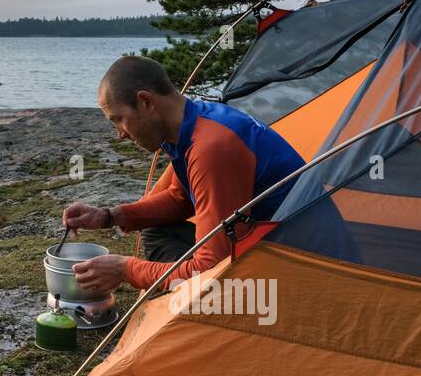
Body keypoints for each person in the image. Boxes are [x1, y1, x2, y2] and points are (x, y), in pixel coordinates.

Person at [62, 55, 306, 294]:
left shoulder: (212, 147)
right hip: (273, 243)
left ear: (146, 102)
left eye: (118, 119)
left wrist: (126, 270)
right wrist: (108, 217)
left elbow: (211, 269)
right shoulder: (195, 123)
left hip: (300, 264)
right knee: (158, 231)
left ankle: (195, 310)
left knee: (199, 278)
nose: (120, 134)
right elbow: (179, 200)